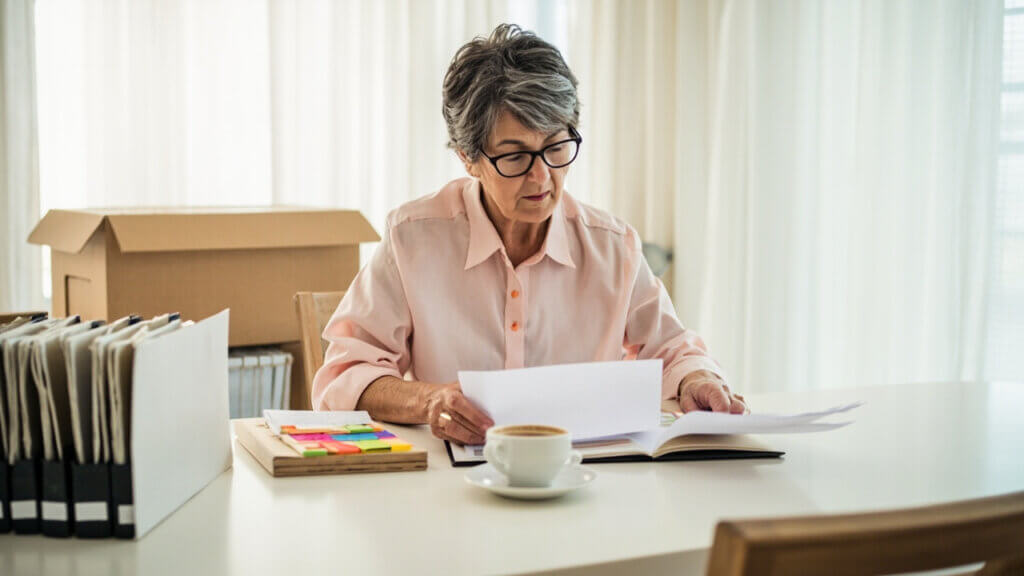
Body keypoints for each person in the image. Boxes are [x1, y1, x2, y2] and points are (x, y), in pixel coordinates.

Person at [312, 24, 746, 446]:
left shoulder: (614, 248)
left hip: (586, 484)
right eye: (516, 156)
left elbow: (673, 349)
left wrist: (697, 377)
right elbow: (344, 375)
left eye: (556, 147)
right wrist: (429, 401)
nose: (542, 177)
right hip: (451, 490)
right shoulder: (413, 241)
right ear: (468, 157)